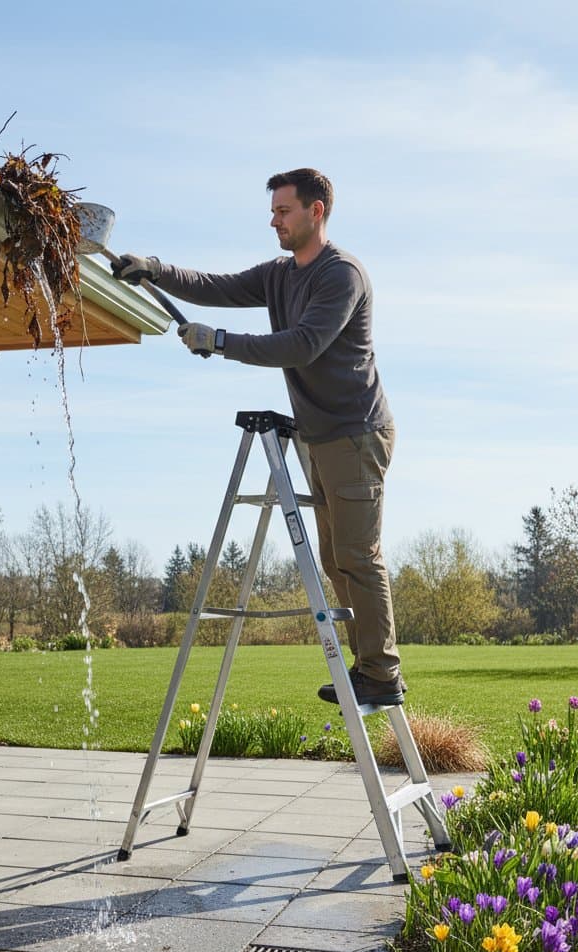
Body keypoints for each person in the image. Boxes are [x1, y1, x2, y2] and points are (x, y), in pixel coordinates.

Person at [111, 168, 404, 707]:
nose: (274, 221)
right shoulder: (279, 275)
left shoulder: (343, 276)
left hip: (357, 434)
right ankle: (364, 668)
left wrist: (219, 341)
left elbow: (302, 344)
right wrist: (153, 269)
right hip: (316, 437)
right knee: (336, 560)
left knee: (359, 556)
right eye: (272, 212)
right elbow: (214, 286)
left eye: (283, 211)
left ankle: (382, 675)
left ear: (317, 211)